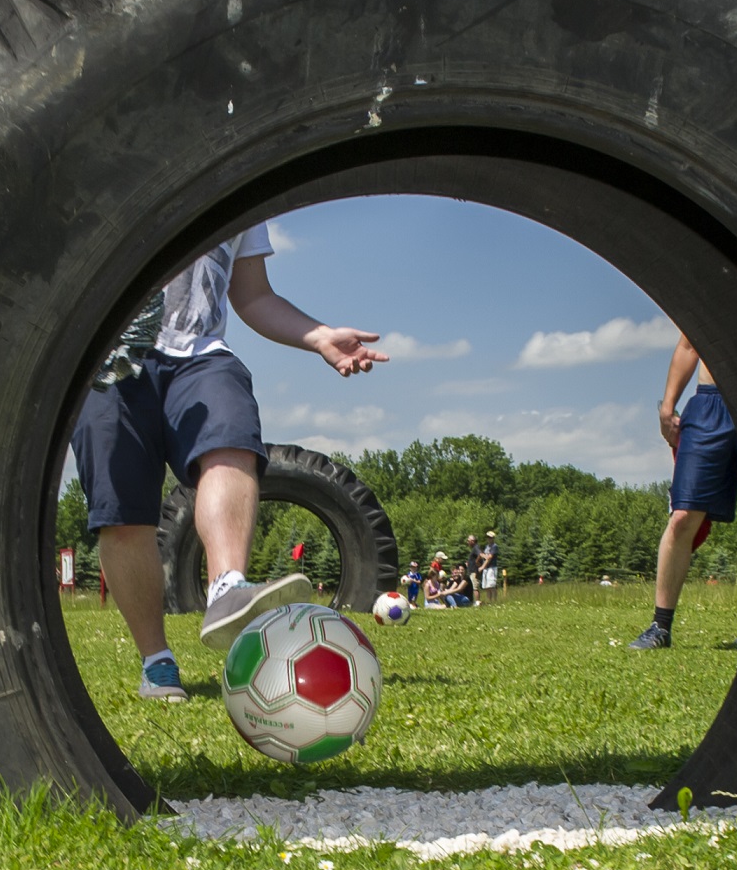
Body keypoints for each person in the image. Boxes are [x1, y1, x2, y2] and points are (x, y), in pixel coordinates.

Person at [73, 224, 388, 701]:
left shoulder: (234, 179)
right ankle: (156, 660)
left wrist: (320, 336)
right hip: (106, 353)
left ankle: (227, 588)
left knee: (231, 437)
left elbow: (254, 296)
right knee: (121, 513)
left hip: (200, 356)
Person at [629, 334, 737, 653]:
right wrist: (668, 406)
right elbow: (689, 345)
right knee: (682, 517)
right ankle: (660, 626)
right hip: (709, 403)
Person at [478, 530, 500, 598]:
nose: (489, 539)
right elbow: (483, 555)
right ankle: (489, 601)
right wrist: (484, 556)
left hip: (492, 567)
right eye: (488, 537)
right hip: (486, 568)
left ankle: (494, 601)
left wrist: (482, 567)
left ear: (493, 538)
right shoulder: (487, 546)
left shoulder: (494, 546)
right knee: (486, 586)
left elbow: (489, 557)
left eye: (490, 537)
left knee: (491, 585)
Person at [462, 533, 483, 606]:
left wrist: (477, 563)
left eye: (468, 541)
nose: (467, 542)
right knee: (474, 587)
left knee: (475, 587)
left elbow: (480, 554)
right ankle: (475, 602)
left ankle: (477, 602)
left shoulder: (476, 547)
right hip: (472, 570)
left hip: (474, 571)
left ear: (473, 541)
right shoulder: (474, 548)